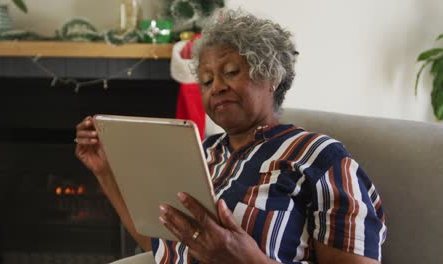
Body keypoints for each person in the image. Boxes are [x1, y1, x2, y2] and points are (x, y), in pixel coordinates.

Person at [75, 9, 386, 264]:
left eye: (232, 72)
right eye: (207, 80)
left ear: (272, 76)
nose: (216, 87)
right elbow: (164, 243)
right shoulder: (201, 154)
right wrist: (105, 172)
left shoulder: (320, 157)